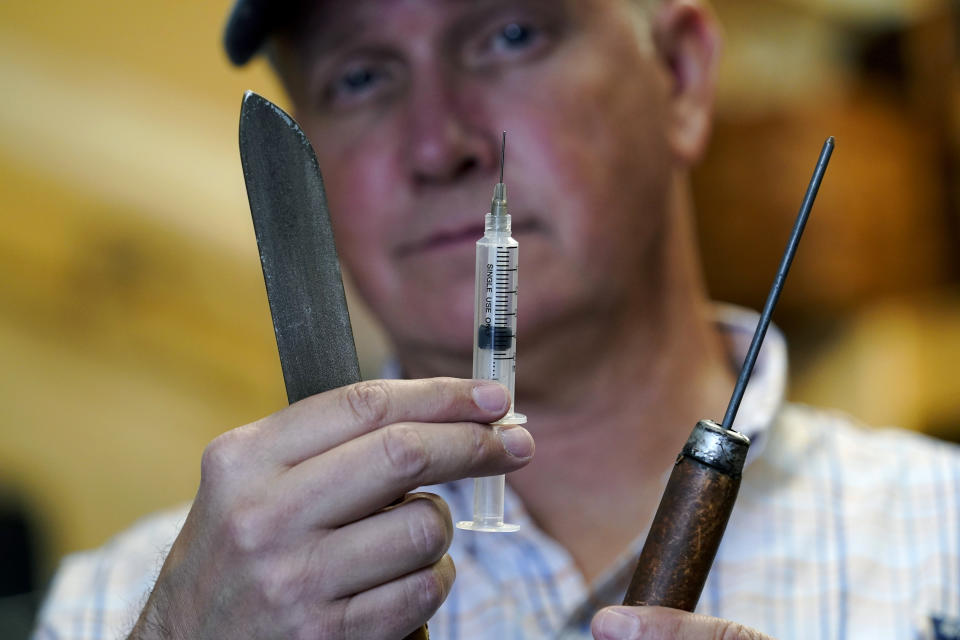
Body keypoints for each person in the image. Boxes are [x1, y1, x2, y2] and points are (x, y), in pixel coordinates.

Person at [33, 0, 960, 638]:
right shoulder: (122, 607)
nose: (439, 143)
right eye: (360, 77)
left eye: (510, 33)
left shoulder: (941, 539)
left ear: (679, 74)